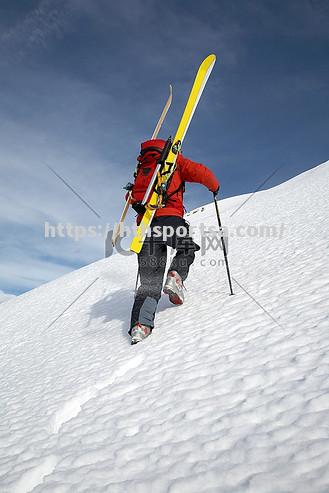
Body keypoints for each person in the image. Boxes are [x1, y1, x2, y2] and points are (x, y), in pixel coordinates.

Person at [128, 138, 219, 344]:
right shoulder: (174, 160)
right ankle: (176, 276)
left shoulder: (142, 168)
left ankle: (140, 327)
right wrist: (214, 186)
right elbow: (203, 173)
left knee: (149, 281)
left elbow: (130, 198)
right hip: (170, 219)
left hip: (146, 227)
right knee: (186, 247)